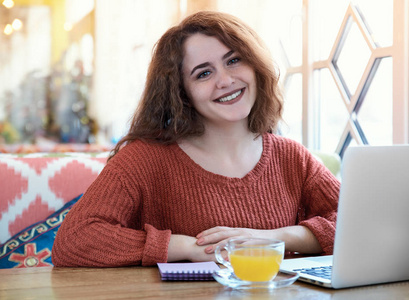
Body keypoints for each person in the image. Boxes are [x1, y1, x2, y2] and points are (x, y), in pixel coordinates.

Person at [52, 11, 340, 267]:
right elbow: (74, 240)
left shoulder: (291, 156)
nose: (225, 80)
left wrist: (273, 238)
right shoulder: (144, 159)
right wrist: (184, 246)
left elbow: (363, 223)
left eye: (234, 60)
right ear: (181, 94)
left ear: (255, 66)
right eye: (203, 74)